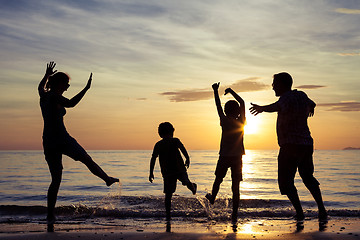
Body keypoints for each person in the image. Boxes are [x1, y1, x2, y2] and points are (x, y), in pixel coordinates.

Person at [38, 62, 119, 229]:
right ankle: (107, 179)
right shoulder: (53, 96)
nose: (67, 87)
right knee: (86, 159)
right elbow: (71, 103)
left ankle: (50, 214)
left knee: (56, 180)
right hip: (62, 138)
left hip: (48, 141)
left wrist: (46, 75)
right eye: (66, 84)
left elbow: (40, 86)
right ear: (59, 83)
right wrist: (86, 88)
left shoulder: (43, 95)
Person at [249, 72, 327, 222]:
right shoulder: (301, 95)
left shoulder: (286, 98)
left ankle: (299, 212)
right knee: (308, 177)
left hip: (290, 146)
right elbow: (313, 103)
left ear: (282, 84)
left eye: (274, 84)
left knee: (285, 183)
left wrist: (261, 108)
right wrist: (311, 108)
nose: (272, 87)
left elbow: (277, 106)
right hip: (306, 144)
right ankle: (322, 210)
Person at [205, 83, 246, 222]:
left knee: (218, 179)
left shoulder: (224, 120)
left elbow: (217, 105)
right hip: (237, 157)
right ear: (238, 112)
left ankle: (212, 198)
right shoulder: (241, 121)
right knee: (236, 187)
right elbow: (242, 102)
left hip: (224, 156)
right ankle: (235, 214)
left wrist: (216, 91)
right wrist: (231, 91)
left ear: (226, 111)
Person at [149, 122, 197, 221]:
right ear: (172, 131)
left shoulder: (173, 141)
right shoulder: (160, 144)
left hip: (176, 169)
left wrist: (151, 172)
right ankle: (168, 214)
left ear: (160, 133)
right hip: (169, 172)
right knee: (171, 192)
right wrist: (187, 158)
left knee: (172, 192)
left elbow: (153, 159)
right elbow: (153, 158)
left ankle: (168, 214)